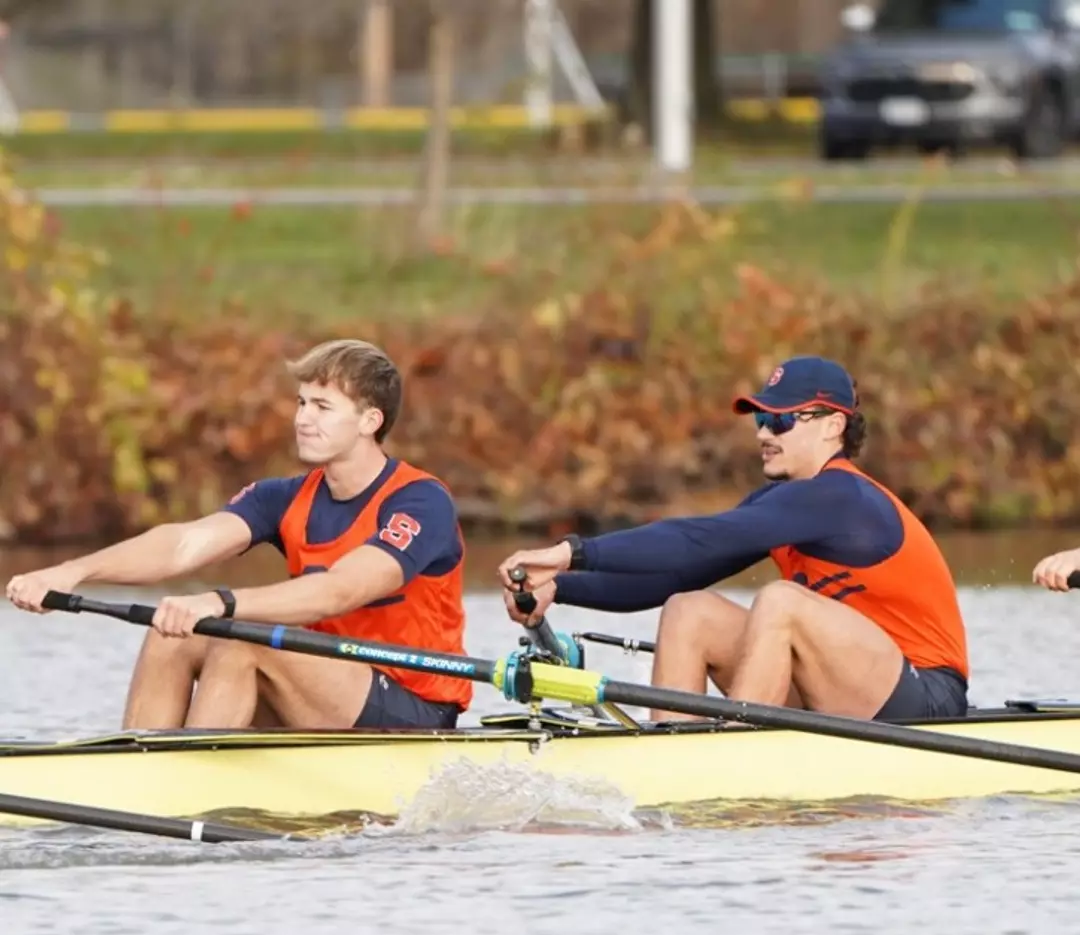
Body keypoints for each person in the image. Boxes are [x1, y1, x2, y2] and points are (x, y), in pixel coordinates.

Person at [6, 338, 472, 731]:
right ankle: (144, 763)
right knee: (173, 632)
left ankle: (187, 781)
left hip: (415, 702)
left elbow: (340, 590)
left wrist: (221, 602)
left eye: (323, 407)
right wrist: (73, 571)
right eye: (302, 403)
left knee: (243, 639)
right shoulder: (284, 497)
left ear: (370, 421)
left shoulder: (419, 502)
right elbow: (183, 544)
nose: (302, 419)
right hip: (324, 683)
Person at [498, 355, 969, 724]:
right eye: (760, 420)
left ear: (833, 425)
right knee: (689, 607)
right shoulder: (782, 502)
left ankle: (733, 747)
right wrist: (561, 588)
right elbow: (676, 570)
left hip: (926, 699)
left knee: (781, 602)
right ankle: (673, 753)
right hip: (846, 682)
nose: (765, 432)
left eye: (782, 420)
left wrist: (570, 552)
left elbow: (697, 537)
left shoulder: (841, 496)